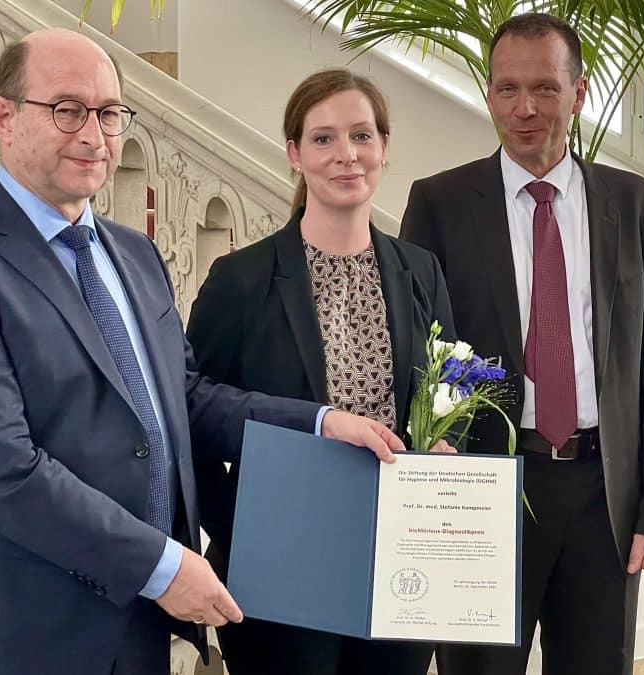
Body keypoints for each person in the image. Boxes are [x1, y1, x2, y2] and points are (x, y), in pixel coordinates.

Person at [0, 30, 403, 675]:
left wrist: (323, 424)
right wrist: (161, 567)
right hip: (14, 627)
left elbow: (183, 399)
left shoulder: (133, 254)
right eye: (67, 110)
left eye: (108, 113)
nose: (94, 135)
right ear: (4, 116)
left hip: (134, 626)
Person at [399, 13, 644, 675]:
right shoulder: (440, 203)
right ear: (489, 95)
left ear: (579, 92)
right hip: (486, 490)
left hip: (604, 497)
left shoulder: (638, 204)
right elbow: (417, 351)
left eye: (543, 88)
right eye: (507, 89)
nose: (525, 107)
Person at [185, 68, 455, 675]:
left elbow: (450, 387)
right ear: (295, 154)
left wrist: (446, 444)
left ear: (383, 149)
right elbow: (191, 410)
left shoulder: (421, 271)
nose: (346, 155)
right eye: (324, 139)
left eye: (362, 136)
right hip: (281, 567)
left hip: (400, 561)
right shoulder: (242, 280)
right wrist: (242, 525)